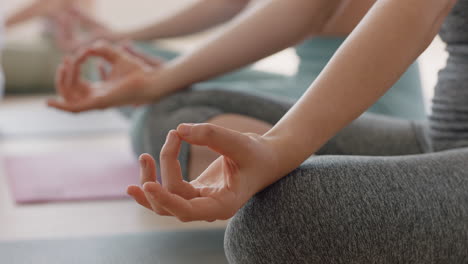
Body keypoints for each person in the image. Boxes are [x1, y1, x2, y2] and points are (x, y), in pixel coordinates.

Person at [55, 0, 468, 261]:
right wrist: (155, 82)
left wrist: (279, 148)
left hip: (386, 103)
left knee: (278, 221)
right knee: (173, 115)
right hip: (436, 135)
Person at [48, 0, 426, 180]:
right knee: (129, 67)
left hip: (366, 104)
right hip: (301, 85)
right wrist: (120, 39)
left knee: (167, 117)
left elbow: (307, 10)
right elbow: (227, 4)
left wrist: (158, 83)